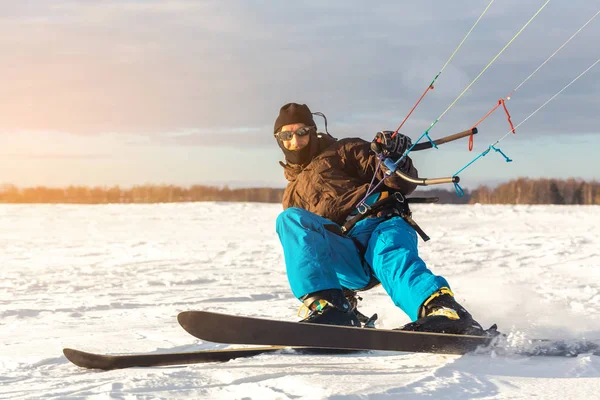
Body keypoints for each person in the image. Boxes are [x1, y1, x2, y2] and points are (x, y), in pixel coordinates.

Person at [274, 102, 487, 335]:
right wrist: (344, 296)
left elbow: (400, 180)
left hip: (380, 225)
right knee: (290, 219)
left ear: (312, 131)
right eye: (287, 135)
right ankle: (331, 309)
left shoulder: (344, 150)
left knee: (391, 258)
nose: (295, 141)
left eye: (302, 132)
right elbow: (310, 251)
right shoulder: (291, 194)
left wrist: (393, 154)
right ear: (279, 139)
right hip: (348, 255)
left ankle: (443, 311)